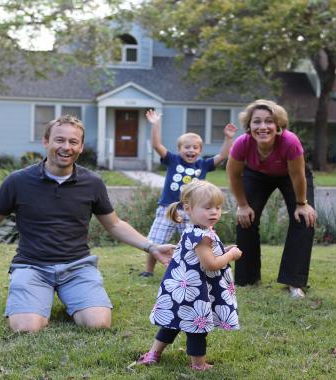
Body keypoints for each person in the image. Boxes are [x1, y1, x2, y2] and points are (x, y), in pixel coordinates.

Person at [0, 115, 174, 333]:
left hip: (77, 266)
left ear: (80, 146)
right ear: (46, 141)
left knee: (98, 324)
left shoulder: (92, 183)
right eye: (59, 140)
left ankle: (71, 297)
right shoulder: (18, 182)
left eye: (73, 142)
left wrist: (150, 247)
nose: (66, 147)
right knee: (25, 328)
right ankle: (39, 299)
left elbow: (114, 225)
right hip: (32, 266)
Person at [135, 180, 242, 371]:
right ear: (188, 208)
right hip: (195, 292)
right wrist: (231, 255)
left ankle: (154, 353)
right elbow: (210, 265)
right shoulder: (202, 236)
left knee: (172, 322)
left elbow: (204, 257)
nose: (214, 212)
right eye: (207, 207)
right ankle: (198, 365)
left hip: (183, 289)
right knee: (196, 327)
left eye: (217, 207)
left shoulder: (196, 231)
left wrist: (224, 250)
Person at [226, 99, 317, 299]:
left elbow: (298, 175)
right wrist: (242, 205)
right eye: (256, 121)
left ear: (278, 126)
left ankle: (294, 282)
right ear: (249, 126)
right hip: (256, 174)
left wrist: (302, 204)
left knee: (304, 219)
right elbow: (233, 175)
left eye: (269, 121)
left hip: (291, 176)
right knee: (245, 219)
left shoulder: (290, 142)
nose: (263, 127)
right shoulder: (242, 144)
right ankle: (247, 279)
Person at [140, 109, 237, 277]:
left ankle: (193, 270)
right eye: (186, 147)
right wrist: (155, 124)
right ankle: (148, 271)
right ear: (179, 149)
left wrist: (228, 138)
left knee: (195, 241)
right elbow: (157, 145)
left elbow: (222, 155)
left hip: (194, 211)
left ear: (200, 150)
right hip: (168, 208)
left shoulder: (203, 165)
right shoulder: (173, 160)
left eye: (195, 147)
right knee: (156, 241)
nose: (191, 150)